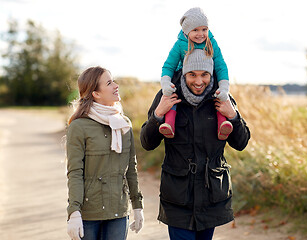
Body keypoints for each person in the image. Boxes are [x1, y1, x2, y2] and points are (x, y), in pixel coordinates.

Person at [140, 49, 250, 240]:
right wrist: (158, 114)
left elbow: (241, 143)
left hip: (211, 196)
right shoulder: (167, 96)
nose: (199, 81)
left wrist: (233, 116)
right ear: (184, 73)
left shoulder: (222, 98)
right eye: (192, 75)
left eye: (204, 75)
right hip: (178, 197)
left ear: (211, 74)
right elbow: (147, 143)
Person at [66, 66, 144, 240]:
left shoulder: (124, 124)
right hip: (89, 214)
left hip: (118, 210)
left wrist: (137, 206)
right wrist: (74, 212)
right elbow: (75, 173)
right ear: (96, 93)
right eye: (109, 83)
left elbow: (131, 168)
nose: (116, 85)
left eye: (113, 81)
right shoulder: (78, 127)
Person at [160, 7, 232, 140]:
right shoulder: (180, 44)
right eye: (195, 30)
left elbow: (221, 66)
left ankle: (223, 124)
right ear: (186, 31)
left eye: (204, 29)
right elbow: (169, 65)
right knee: (172, 95)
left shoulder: (211, 42)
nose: (201, 34)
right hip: (184, 76)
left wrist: (224, 88)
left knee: (219, 97)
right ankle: (169, 123)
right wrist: (165, 83)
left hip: (209, 76)